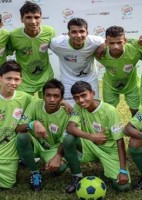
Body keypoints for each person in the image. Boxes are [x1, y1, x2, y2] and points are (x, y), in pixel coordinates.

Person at [64, 81, 130, 193]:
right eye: (76, 98)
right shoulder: (78, 107)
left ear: (93, 93)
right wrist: (90, 136)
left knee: (123, 187)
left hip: (109, 150)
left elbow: (120, 141)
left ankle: (111, 165)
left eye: (83, 95)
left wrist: (123, 170)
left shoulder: (110, 111)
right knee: (68, 139)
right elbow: (70, 128)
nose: (80, 100)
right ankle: (77, 176)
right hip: (90, 145)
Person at [15, 79, 71, 192]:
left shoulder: (67, 114)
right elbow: (18, 128)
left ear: (61, 98)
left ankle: (48, 159)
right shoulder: (35, 104)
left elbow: (65, 140)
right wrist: (33, 123)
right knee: (22, 136)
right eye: (48, 95)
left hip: (52, 147)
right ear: (43, 96)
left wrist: (58, 156)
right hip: (34, 143)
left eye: (56, 96)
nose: (51, 99)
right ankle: (34, 172)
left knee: (59, 169)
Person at [50, 18, 104, 106]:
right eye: (74, 32)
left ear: (87, 33)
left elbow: (105, 41)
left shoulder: (95, 41)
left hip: (90, 79)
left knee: (93, 106)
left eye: (82, 31)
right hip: (68, 81)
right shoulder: (57, 44)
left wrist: (103, 45)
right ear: (68, 34)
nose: (78, 35)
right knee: (69, 108)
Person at [8, 1, 55, 97]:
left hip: (46, 77)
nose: (33, 21)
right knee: (23, 110)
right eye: (28, 17)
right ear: (21, 19)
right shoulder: (14, 36)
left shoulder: (49, 32)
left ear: (41, 18)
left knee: (47, 109)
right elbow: (7, 52)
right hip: (25, 81)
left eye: (36, 17)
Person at [0, 60, 33, 189]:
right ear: (1, 78)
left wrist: (64, 103)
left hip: (8, 155)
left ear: (21, 80)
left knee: (8, 185)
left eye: (16, 79)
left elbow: (44, 104)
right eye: (9, 78)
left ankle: (21, 159)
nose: (13, 83)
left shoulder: (25, 98)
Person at [96, 26, 141, 116]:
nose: (116, 46)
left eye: (119, 42)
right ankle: (112, 129)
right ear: (106, 42)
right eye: (111, 43)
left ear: (125, 40)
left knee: (136, 111)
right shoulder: (99, 53)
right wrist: (101, 45)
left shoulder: (135, 51)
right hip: (110, 86)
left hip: (131, 85)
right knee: (108, 111)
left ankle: (136, 128)